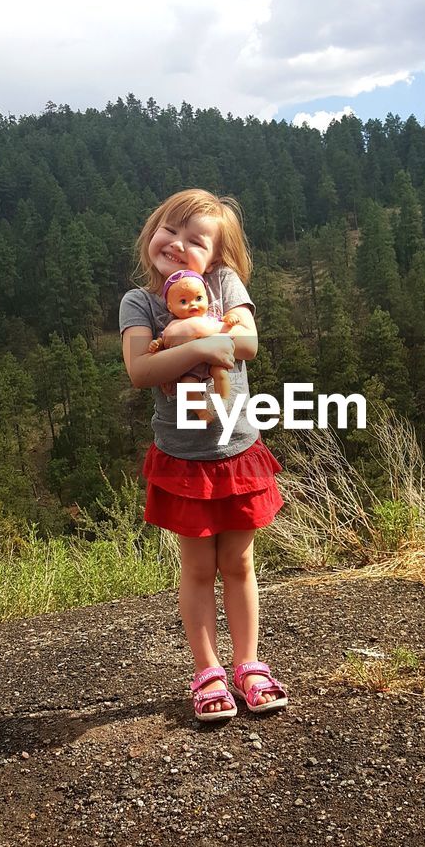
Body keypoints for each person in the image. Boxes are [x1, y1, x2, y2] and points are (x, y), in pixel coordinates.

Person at [119, 188, 288, 722]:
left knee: (238, 564)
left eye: (196, 241)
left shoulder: (224, 285)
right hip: (183, 458)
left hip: (235, 448)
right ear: (152, 232)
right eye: (170, 229)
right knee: (196, 569)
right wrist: (201, 345)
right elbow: (140, 371)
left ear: (214, 258)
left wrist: (189, 343)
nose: (177, 244)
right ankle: (207, 671)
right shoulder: (138, 303)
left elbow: (249, 343)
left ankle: (249, 665)